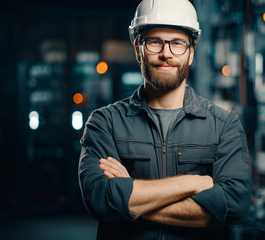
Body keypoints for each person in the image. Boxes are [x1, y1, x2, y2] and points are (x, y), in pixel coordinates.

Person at [78, 0, 252, 239]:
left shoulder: (223, 125)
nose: (166, 54)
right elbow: (100, 200)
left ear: (191, 53)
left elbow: (235, 205)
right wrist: (193, 183)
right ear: (138, 49)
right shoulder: (105, 123)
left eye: (178, 43)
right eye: (154, 42)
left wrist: (130, 197)